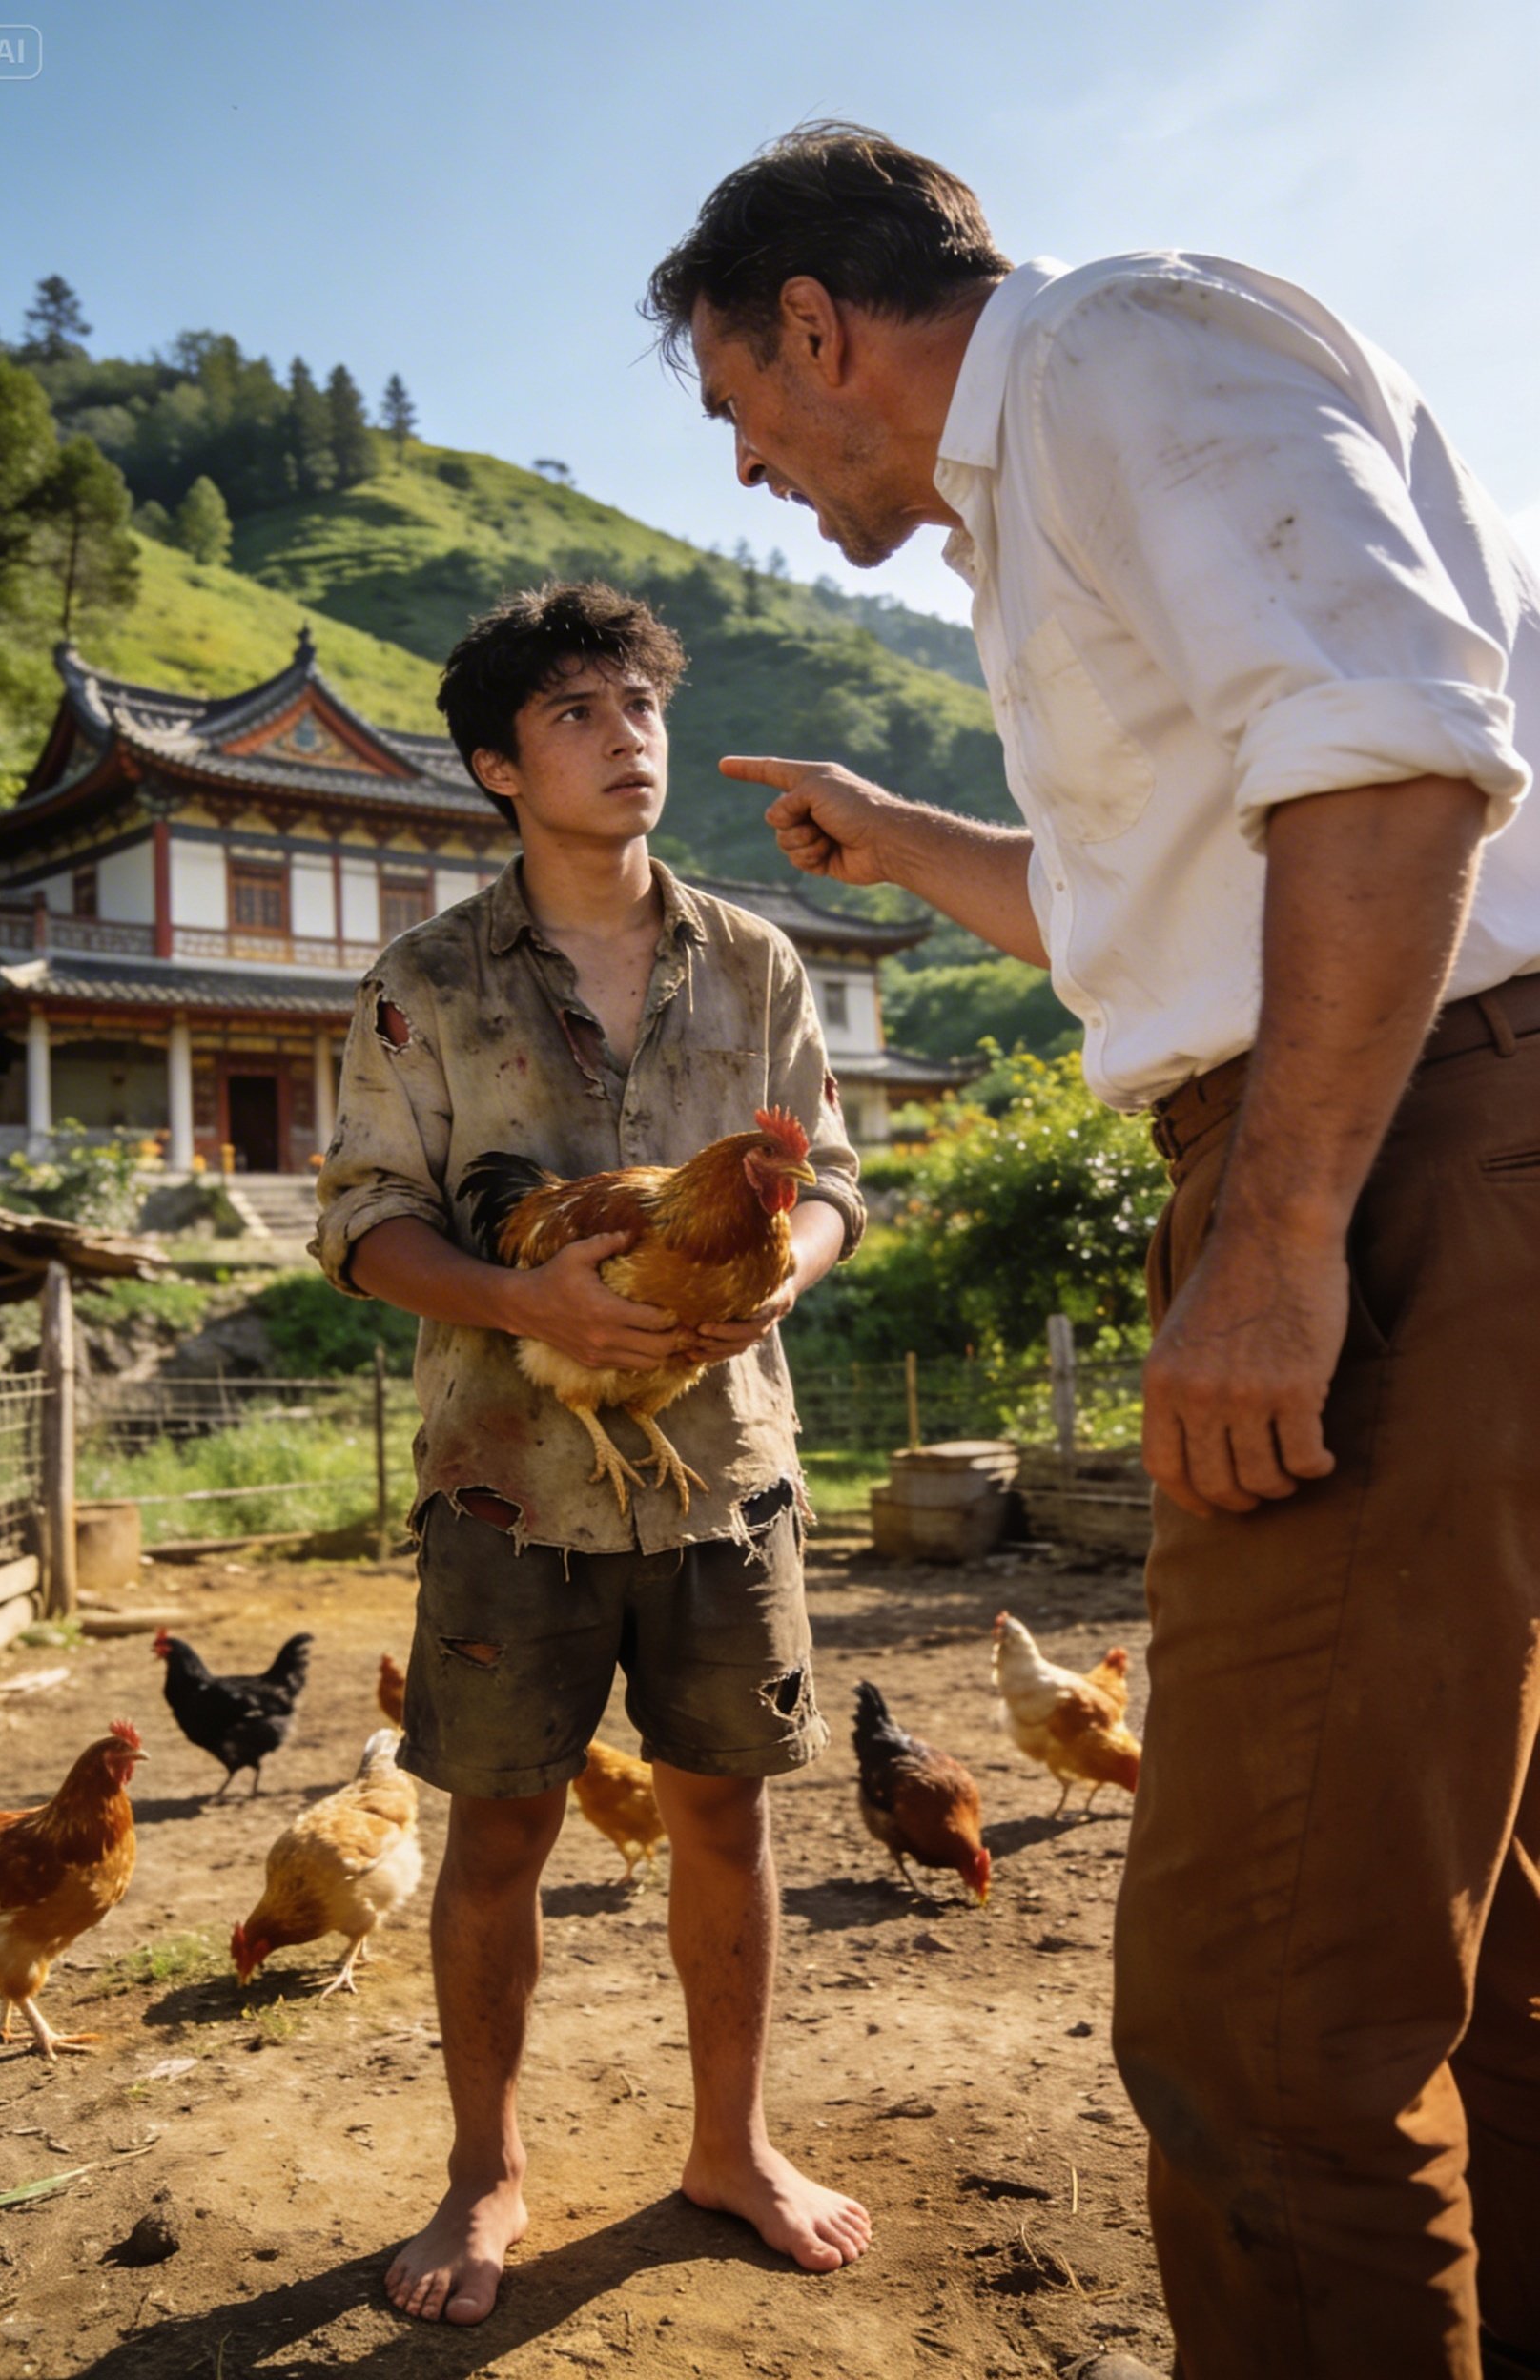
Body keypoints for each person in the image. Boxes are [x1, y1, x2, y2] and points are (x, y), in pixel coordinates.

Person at [646, 126, 1540, 2380]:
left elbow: (1396, 765)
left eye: (733, 403)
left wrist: (1278, 1241)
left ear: (820, 328)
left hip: (1397, 1134)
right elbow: (1153, 916)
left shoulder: (1117, 350)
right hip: (1421, 1114)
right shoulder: (1069, 478)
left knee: (1257, 2020)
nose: (747, 465)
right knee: (1473, 1940)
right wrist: (904, 827)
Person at [311, 581, 872, 2325]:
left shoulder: (763, 958)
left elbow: (839, 1178)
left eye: (640, 705)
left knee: (724, 1815)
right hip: (506, 1474)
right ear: (494, 763)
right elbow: (358, 1220)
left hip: (728, 1469)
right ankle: (486, 2179)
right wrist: (515, 1297)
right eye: (576, 712)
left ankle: (732, 2146)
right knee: (497, 1832)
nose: (628, 735)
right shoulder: (425, 981)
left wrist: (788, 1272)